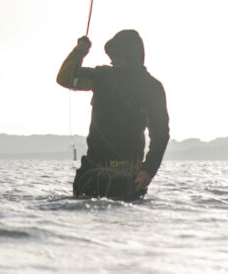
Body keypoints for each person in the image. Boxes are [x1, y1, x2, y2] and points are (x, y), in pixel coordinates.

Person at [56, 29, 170, 201]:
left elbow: (161, 134)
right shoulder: (102, 76)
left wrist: (148, 170)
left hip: (128, 177)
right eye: (112, 55)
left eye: (120, 56)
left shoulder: (151, 88)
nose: (114, 60)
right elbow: (65, 78)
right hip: (92, 171)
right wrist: (79, 52)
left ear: (133, 57)